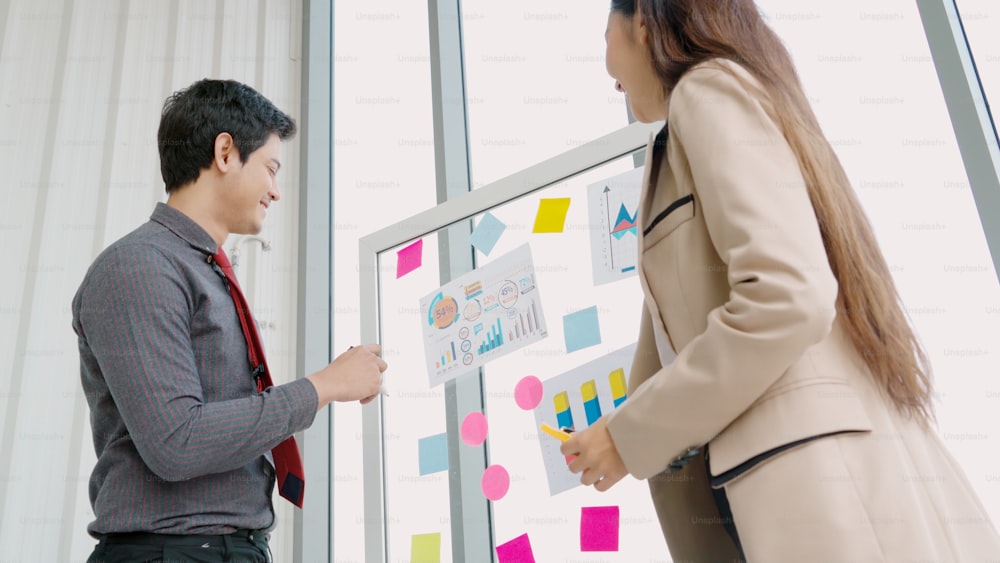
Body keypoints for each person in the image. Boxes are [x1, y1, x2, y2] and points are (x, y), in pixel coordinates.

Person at [561, 1, 1000, 560]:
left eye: (605, 37)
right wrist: (618, 433)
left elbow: (786, 296)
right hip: (795, 492)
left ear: (643, 23)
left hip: (817, 492)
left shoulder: (704, 91)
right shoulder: (685, 135)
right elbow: (670, 348)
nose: (606, 66)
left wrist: (626, 436)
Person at [73, 78, 386, 562]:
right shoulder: (139, 266)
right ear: (225, 153)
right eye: (271, 168)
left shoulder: (204, 269)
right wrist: (322, 387)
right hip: (173, 552)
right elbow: (177, 440)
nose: (276, 192)